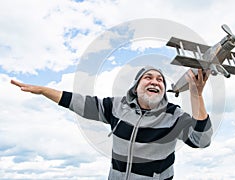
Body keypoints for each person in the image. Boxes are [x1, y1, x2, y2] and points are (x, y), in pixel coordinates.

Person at [11, 66, 213, 180]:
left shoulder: (174, 116)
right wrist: (44, 90)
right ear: (136, 86)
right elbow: (77, 101)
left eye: (160, 80)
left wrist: (196, 96)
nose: (155, 81)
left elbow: (201, 140)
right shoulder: (116, 107)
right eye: (148, 77)